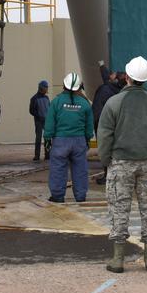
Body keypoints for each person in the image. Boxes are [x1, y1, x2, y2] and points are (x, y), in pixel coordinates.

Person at [98, 55, 147, 273]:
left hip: (121, 163)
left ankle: (118, 259)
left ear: (127, 77)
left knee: (119, 208)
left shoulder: (114, 103)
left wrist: (106, 160)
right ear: (146, 79)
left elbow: (104, 135)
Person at [45, 72, 94, 203]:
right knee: (80, 169)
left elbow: (49, 122)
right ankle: (80, 196)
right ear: (79, 86)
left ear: (64, 85)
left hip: (60, 141)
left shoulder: (56, 102)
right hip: (79, 141)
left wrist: (47, 138)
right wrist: (88, 138)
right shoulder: (85, 104)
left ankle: (57, 196)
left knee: (58, 169)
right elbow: (89, 125)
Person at [93, 62, 123, 184]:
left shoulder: (106, 89)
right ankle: (111, 175)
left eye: (113, 74)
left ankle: (108, 176)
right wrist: (101, 66)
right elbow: (106, 76)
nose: (111, 74)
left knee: (105, 150)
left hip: (101, 123)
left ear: (114, 80)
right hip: (109, 123)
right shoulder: (114, 89)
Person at [28, 80, 50, 161]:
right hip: (39, 121)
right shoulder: (34, 98)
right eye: (46, 87)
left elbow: (49, 108)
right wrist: (38, 116)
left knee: (47, 138)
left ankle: (47, 154)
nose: (47, 89)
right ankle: (37, 155)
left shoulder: (47, 98)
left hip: (47, 121)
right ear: (41, 88)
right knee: (38, 138)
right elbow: (31, 110)